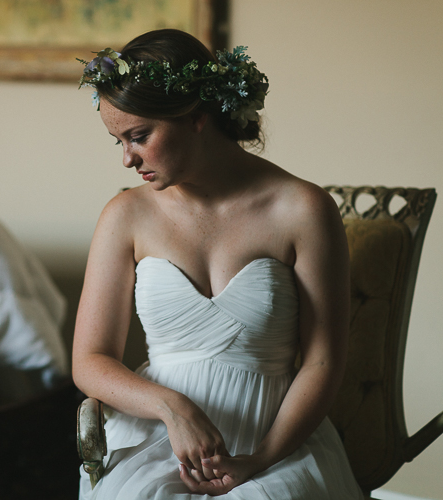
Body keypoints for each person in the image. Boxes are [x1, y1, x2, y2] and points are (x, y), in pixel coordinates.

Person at [72, 29, 364, 499]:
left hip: (276, 440)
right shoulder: (126, 214)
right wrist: (173, 409)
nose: (128, 159)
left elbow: (323, 360)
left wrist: (263, 457)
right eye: (118, 142)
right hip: (156, 438)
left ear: (196, 117)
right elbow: (89, 360)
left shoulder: (303, 209)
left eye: (139, 136)